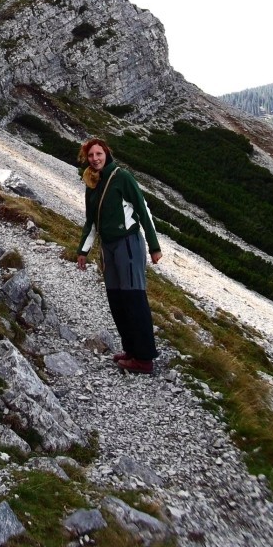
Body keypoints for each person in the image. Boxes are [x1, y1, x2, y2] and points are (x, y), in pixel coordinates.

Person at [76, 137, 162, 374]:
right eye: (91, 155)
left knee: (134, 299)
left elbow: (143, 211)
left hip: (128, 244)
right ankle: (130, 350)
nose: (95, 159)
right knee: (117, 300)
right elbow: (91, 221)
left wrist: (154, 247)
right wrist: (83, 251)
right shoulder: (92, 184)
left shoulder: (121, 177)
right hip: (108, 248)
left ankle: (144, 359)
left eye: (98, 154)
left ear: (106, 154)